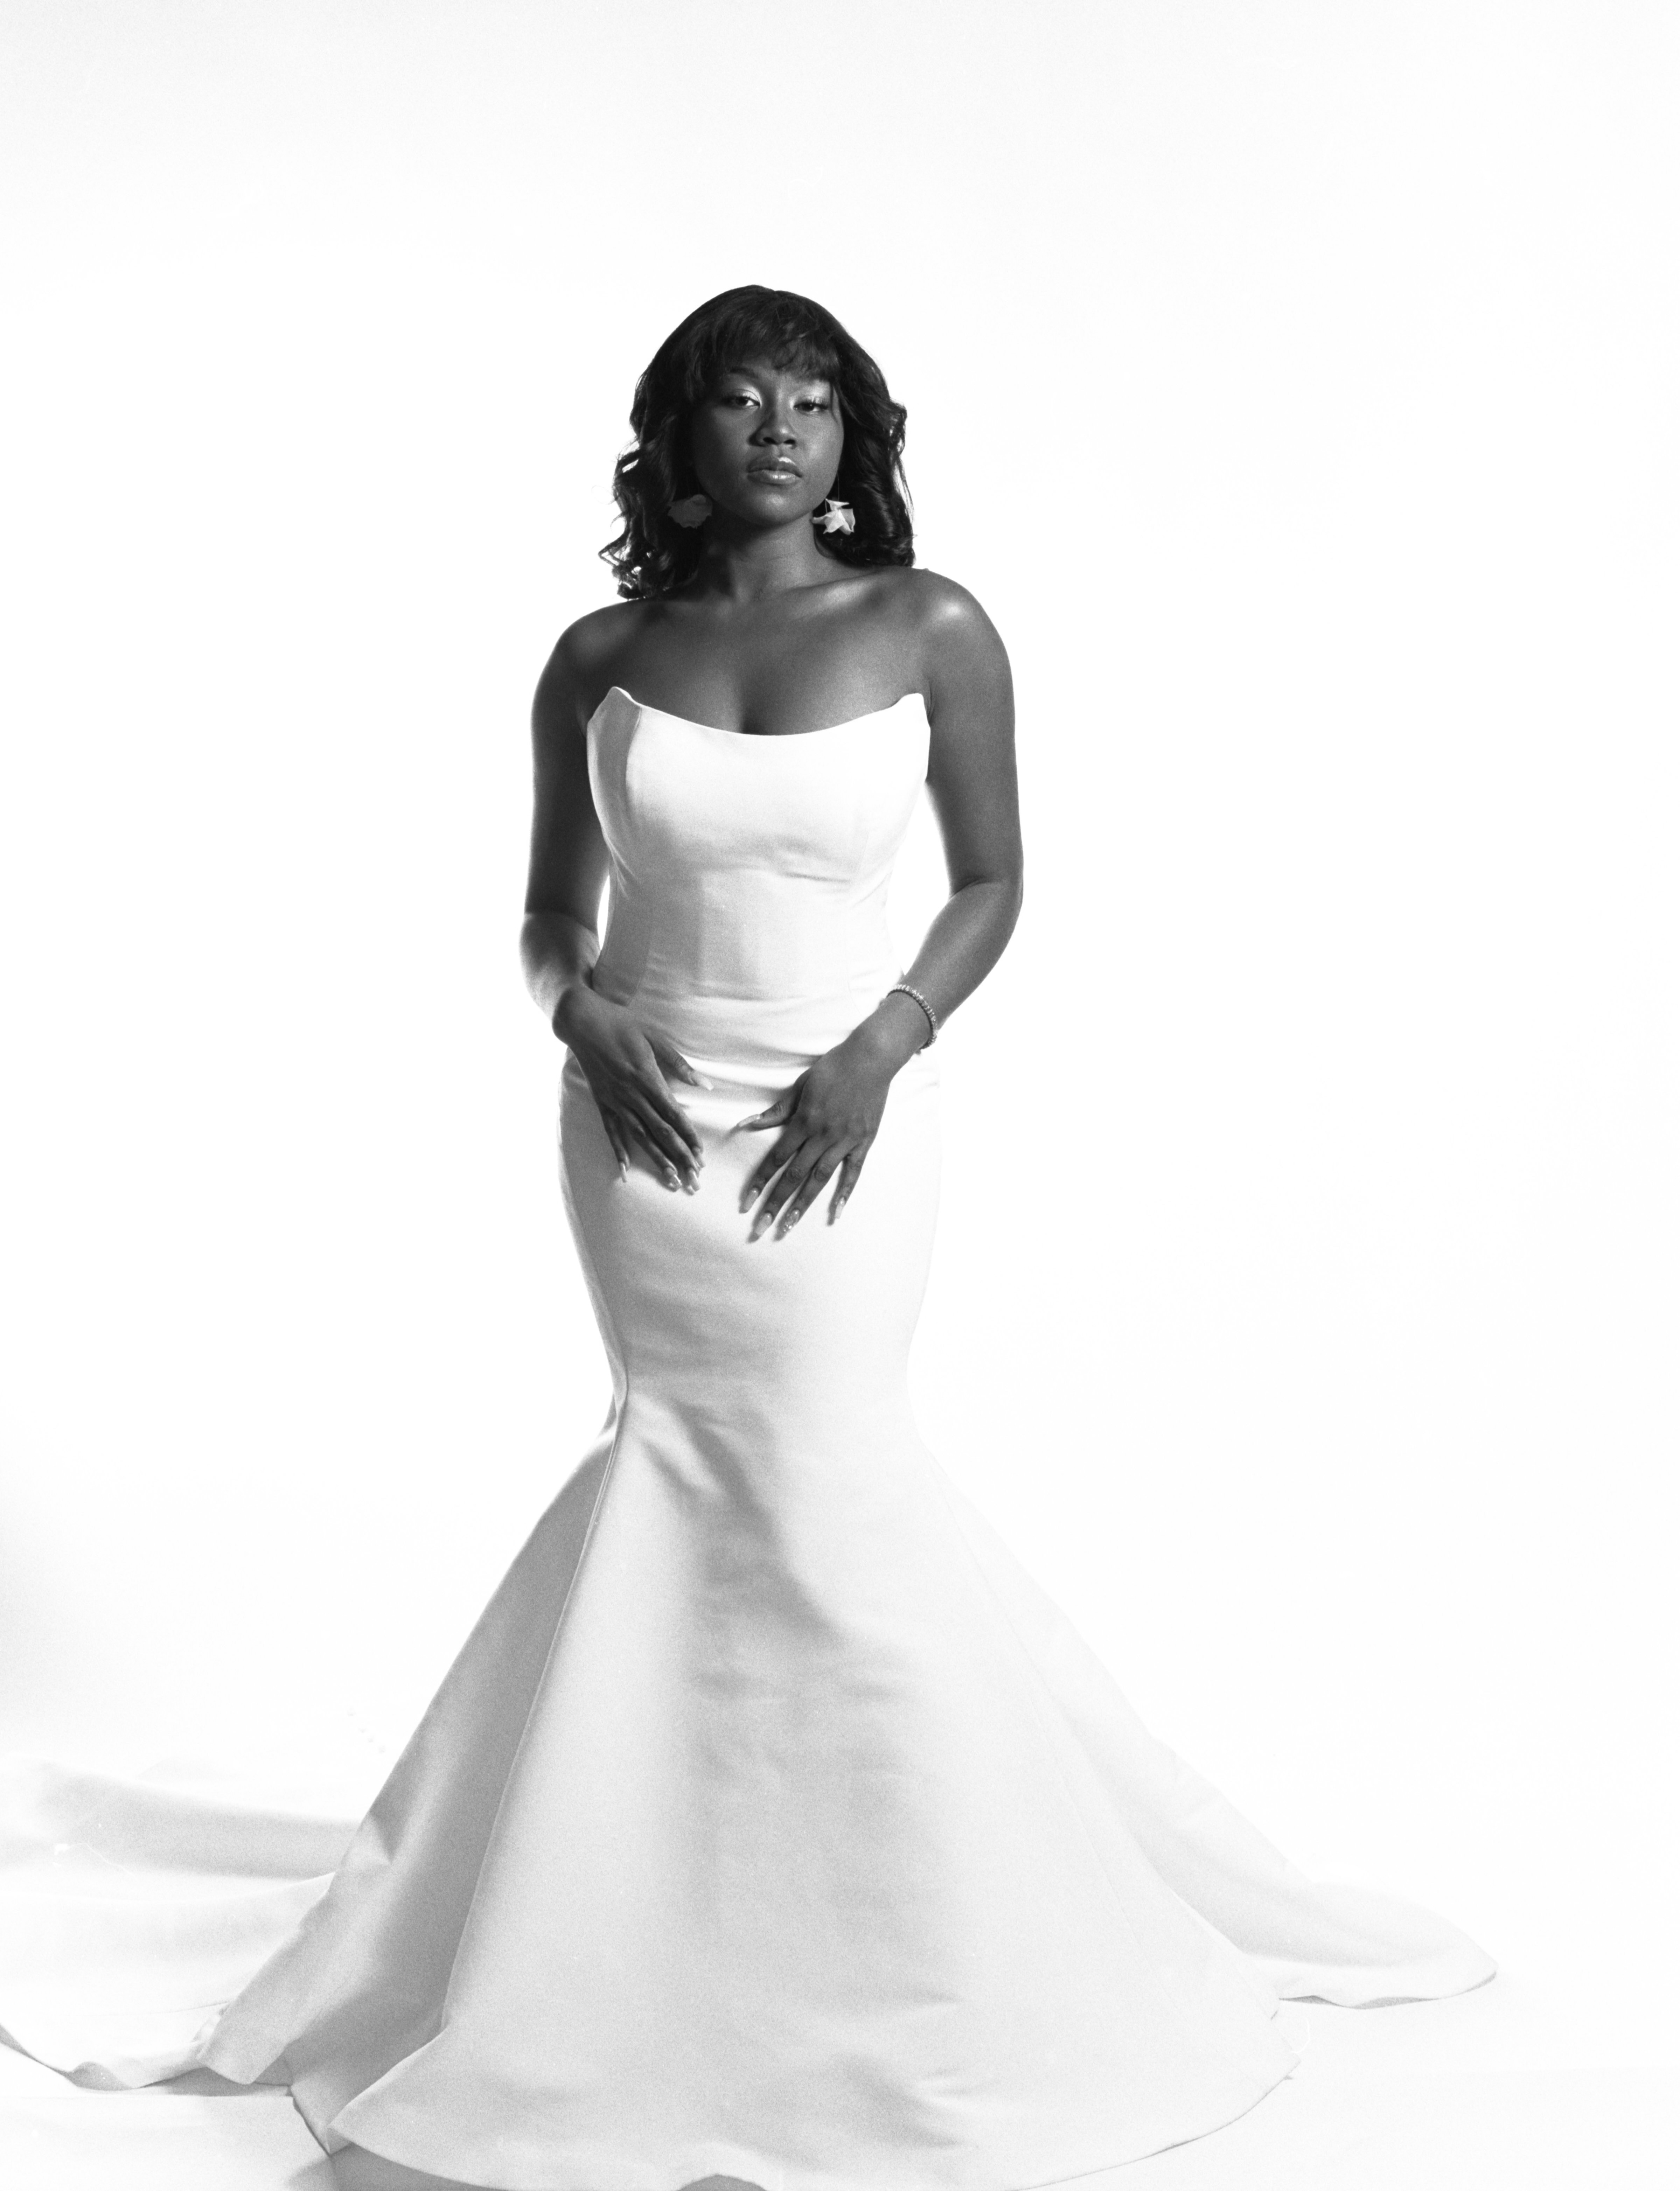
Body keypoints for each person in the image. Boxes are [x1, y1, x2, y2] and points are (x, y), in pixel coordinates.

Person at [4, 287, 1494, 2187]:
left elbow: (995, 876)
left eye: (812, 400)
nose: (778, 429)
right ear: (680, 436)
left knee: (829, 1478)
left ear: (855, 435)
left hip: (851, 1107)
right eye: (740, 399)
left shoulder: (933, 628)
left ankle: (918, 1948)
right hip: (643, 1115)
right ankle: (635, 1937)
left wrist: (884, 1040)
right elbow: (548, 909)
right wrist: (580, 1009)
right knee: (682, 1465)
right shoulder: (599, 653)